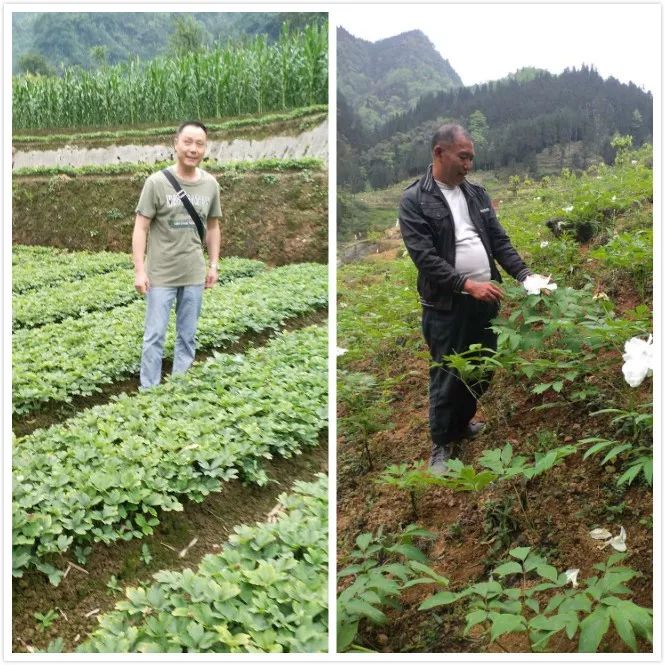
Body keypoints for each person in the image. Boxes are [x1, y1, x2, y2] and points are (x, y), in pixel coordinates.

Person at [398, 123, 545, 473]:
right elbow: (426, 258)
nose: (469, 164)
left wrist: (525, 276)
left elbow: (499, 241)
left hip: (486, 298)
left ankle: (463, 424)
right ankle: (442, 444)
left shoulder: (476, 194)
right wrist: (467, 284)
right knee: (449, 372)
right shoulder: (415, 200)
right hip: (447, 305)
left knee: (481, 368)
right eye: (463, 157)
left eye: (471, 158)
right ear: (439, 153)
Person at [132, 120, 222, 389]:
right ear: (176, 144)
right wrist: (140, 270)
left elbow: (214, 227)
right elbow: (141, 226)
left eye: (199, 144)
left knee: (187, 336)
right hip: (161, 275)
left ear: (205, 148)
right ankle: (150, 390)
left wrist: (214, 264)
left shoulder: (210, 185)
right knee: (154, 335)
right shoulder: (157, 182)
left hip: (194, 274)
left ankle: (179, 389)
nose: (193, 149)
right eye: (188, 142)